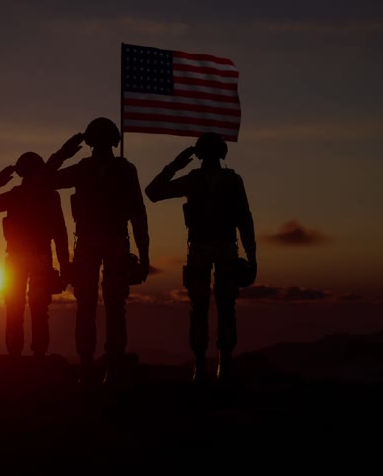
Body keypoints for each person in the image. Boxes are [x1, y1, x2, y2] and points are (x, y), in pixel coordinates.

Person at [146, 132, 256, 382]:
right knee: (213, 307)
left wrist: (176, 165)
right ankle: (211, 366)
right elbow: (153, 192)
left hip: (218, 248)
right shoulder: (205, 180)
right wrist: (251, 254)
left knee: (211, 307)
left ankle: (213, 366)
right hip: (207, 248)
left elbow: (244, 218)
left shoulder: (221, 180)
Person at [46, 117, 150, 384]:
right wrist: (63, 154)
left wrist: (63, 154)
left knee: (106, 306)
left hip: (109, 242)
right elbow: (45, 182)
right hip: (95, 243)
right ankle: (92, 366)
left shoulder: (121, 169)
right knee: (94, 306)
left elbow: (137, 212)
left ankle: (105, 366)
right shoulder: (88, 169)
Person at [0, 152, 69, 358]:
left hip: (23, 259)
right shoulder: (46, 196)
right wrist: (65, 264)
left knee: (19, 308)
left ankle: (20, 356)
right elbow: (60, 232)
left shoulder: (20, 195)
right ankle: (34, 356)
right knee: (33, 308)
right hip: (31, 258)